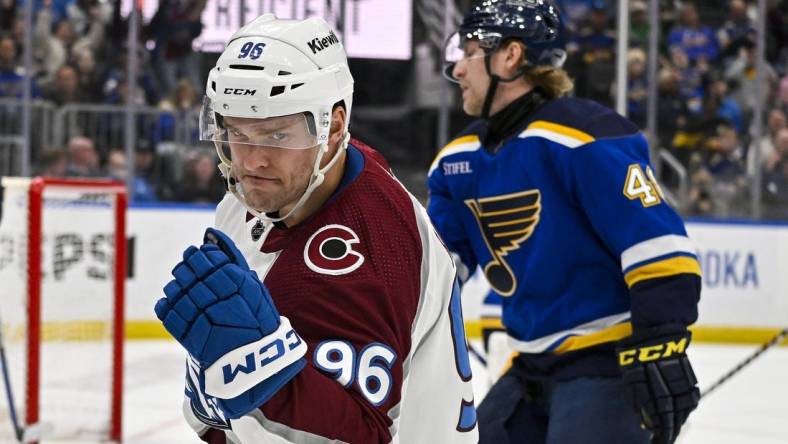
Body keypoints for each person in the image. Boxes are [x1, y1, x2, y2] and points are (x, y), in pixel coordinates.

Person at [154, 14, 478, 444]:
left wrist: (251, 378)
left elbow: (360, 436)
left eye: (274, 135)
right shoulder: (265, 194)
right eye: (235, 131)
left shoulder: (368, 250)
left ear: (334, 127)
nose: (251, 161)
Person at [431, 1, 702, 443]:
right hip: (530, 367)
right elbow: (436, 271)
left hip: (607, 365)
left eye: (470, 51)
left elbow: (659, 248)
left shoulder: (585, 137)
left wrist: (659, 342)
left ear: (510, 56)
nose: (459, 69)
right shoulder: (455, 161)